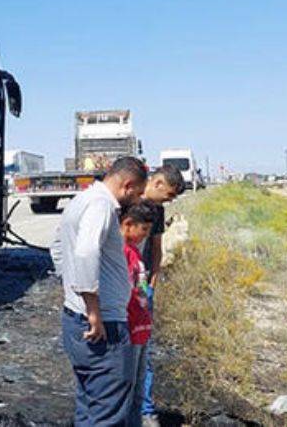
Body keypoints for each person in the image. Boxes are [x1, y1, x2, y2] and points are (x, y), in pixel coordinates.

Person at [52, 156, 148, 426]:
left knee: (91, 404)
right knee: (107, 411)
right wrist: (93, 310)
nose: (139, 200)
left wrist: (72, 291)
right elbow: (85, 251)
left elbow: (57, 249)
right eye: (138, 193)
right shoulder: (101, 205)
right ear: (127, 185)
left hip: (78, 318)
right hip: (102, 325)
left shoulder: (81, 200)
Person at [136, 165, 186, 427]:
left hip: (143, 288)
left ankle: (145, 410)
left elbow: (156, 248)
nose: (170, 201)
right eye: (168, 195)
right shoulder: (126, 202)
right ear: (155, 183)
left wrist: (152, 282)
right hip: (118, 288)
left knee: (143, 348)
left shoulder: (157, 211)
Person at [120, 202, 158, 426]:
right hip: (130, 327)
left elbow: (140, 287)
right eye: (143, 230)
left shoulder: (134, 251)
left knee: (138, 383)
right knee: (127, 384)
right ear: (128, 224)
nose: (145, 236)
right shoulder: (121, 252)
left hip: (141, 326)